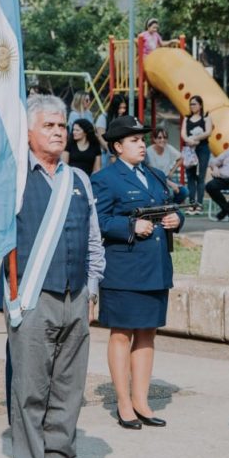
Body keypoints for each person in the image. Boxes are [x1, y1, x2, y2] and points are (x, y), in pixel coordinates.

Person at [4, 96, 104, 458]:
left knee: (68, 392)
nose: (59, 132)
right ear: (28, 132)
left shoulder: (78, 179)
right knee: (29, 391)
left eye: (62, 125)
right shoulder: (13, 180)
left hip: (75, 296)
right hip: (32, 300)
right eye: (49, 126)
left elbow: (94, 239)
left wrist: (93, 287)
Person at [92, 116, 184, 430]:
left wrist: (175, 220)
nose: (141, 144)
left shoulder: (156, 176)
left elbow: (171, 207)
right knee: (122, 333)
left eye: (142, 139)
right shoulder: (105, 179)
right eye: (133, 140)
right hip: (124, 268)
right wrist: (129, 226)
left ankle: (142, 401)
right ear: (117, 147)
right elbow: (97, 222)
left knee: (147, 332)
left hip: (155, 267)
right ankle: (123, 403)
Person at [181, 95, 211, 212]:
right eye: (191, 104)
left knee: (201, 177)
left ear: (200, 105)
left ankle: (199, 204)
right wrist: (189, 140)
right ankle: (191, 203)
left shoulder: (206, 118)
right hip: (189, 150)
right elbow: (183, 133)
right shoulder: (186, 118)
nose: (192, 106)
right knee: (190, 177)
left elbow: (208, 132)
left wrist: (196, 138)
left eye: (194, 104)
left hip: (202, 149)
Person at [146, 126, 188, 203]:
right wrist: (170, 184)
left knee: (184, 192)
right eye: (159, 138)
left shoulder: (169, 148)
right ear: (154, 139)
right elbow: (152, 173)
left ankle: (172, 208)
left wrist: (171, 172)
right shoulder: (148, 151)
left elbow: (181, 158)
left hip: (167, 178)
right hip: (154, 180)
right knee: (169, 193)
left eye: (165, 137)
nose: (163, 140)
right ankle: (169, 208)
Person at [205, 145, 229, 221]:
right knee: (210, 186)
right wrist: (215, 167)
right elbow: (213, 162)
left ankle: (224, 212)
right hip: (222, 178)